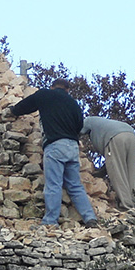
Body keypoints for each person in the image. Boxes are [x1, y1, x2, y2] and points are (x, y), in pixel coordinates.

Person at [6, 79, 98, 228]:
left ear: (52, 86)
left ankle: (50, 221)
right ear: (67, 90)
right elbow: (79, 126)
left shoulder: (45, 94)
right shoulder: (74, 103)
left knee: (53, 184)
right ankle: (90, 218)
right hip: (72, 147)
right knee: (75, 185)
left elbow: (27, 105)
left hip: (55, 145)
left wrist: (13, 110)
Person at [81, 116, 135, 211]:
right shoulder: (102, 124)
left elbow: (75, 131)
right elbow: (110, 162)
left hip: (114, 136)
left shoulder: (88, 120)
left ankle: (126, 206)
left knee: (117, 173)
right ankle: (132, 202)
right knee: (130, 172)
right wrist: (99, 174)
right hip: (130, 134)